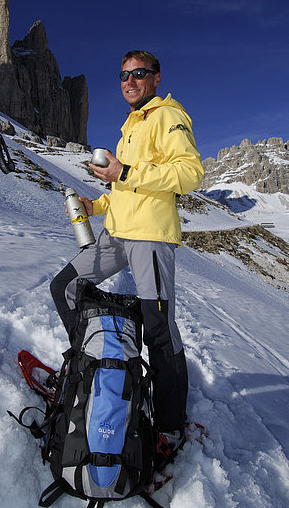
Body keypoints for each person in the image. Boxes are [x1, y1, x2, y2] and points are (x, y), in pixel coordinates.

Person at [50, 50, 204, 471]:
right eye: (124, 75)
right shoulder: (130, 127)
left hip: (150, 237)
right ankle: (92, 369)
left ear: (156, 78)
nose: (130, 81)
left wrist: (126, 173)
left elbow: (190, 174)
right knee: (64, 287)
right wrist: (95, 205)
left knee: (159, 327)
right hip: (116, 234)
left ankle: (171, 425)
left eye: (139, 74)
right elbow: (123, 189)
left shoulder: (167, 115)